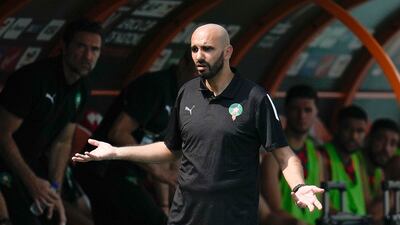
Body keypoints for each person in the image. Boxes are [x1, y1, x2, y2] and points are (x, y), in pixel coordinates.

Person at [72, 23, 324, 225]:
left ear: (227, 53)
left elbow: (283, 154)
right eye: (194, 50)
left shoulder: (254, 98)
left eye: (207, 49)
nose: (199, 57)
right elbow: (169, 150)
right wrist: (117, 152)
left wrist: (298, 185)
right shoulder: (187, 93)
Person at [73, 50, 195, 225]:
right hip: (103, 168)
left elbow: (163, 160)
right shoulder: (156, 86)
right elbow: (118, 133)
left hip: (128, 175)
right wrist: (158, 172)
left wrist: (164, 205)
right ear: (183, 63)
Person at [0, 18, 102, 225]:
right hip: (6, 163)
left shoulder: (82, 88)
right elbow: (2, 134)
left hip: (33, 166)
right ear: (64, 47)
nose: (88, 56)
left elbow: (63, 141)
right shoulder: (33, 79)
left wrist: (55, 189)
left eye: (95, 49)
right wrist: (32, 183)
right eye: (81, 47)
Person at [261, 85, 323, 225]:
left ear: (316, 113)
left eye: (307, 110)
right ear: (286, 111)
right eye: (296, 109)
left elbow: (323, 203)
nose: (302, 116)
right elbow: (273, 210)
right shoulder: (272, 156)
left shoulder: (316, 156)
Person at [319, 105, 368, 215]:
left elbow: (367, 203)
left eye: (360, 131)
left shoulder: (357, 160)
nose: (354, 136)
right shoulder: (322, 156)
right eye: (348, 129)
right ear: (336, 128)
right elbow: (320, 205)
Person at [359, 119, 400, 223]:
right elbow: (372, 214)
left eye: (393, 143)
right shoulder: (356, 162)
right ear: (368, 139)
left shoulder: (379, 172)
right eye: (381, 139)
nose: (386, 148)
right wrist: (396, 186)